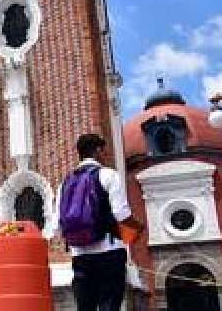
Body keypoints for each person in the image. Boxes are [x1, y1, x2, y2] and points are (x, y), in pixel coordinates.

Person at [56, 133, 144, 311]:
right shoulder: (109, 175)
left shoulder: (65, 183)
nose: (106, 155)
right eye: (104, 151)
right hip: (109, 252)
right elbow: (121, 214)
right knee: (109, 305)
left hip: (80, 255)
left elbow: (58, 223)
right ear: (98, 151)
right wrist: (137, 231)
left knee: (85, 306)